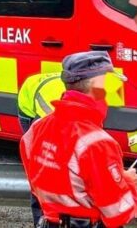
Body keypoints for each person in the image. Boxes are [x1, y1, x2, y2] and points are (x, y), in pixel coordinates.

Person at [20, 51, 137, 228]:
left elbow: (39, 184)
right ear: (98, 87)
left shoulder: (37, 128)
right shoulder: (98, 143)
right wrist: (128, 182)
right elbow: (119, 213)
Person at [17, 71, 67, 226]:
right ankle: (41, 221)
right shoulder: (48, 114)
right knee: (40, 170)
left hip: (44, 88)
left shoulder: (90, 94)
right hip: (28, 105)